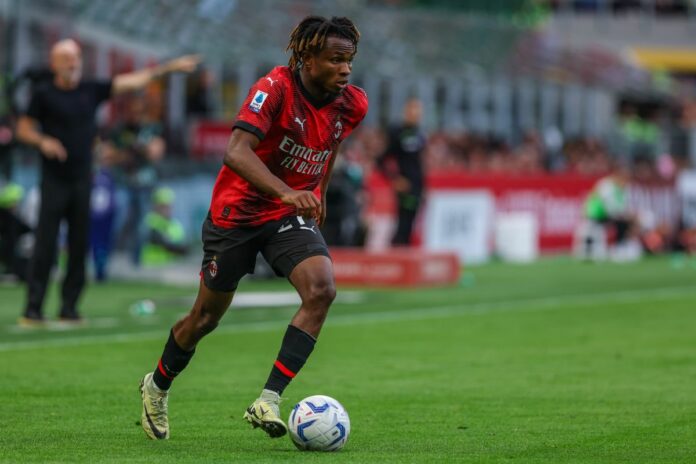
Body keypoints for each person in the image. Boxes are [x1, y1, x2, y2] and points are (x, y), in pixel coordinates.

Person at [138, 15, 367, 441]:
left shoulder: (351, 103)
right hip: (237, 214)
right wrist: (287, 191)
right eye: (336, 60)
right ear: (308, 59)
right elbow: (236, 151)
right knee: (205, 318)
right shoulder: (274, 88)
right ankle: (157, 385)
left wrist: (319, 191)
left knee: (322, 289)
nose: (346, 69)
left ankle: (268, 399)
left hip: (286, 213)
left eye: (349, 60)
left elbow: (331, 143)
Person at [15, 39, 199, 326]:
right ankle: (33, 309)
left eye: (76, 57)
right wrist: (43, 141)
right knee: (45, 244)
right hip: (54, 180)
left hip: (82, 178)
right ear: (54, 63)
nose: (73, 63)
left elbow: (132, 81)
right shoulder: (44, 93)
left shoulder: (91, 90)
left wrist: (168, 69)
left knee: (79, 245)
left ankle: (69, 308)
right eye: (66, 58)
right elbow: (24, 129)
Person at [107, 96, 166, 267]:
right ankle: (108, 260)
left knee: (141, 225)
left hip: (144, 182)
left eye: (138, 111)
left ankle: (136, 262)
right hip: (122, 180)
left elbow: (156, 152)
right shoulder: (119, 129)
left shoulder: (151, 129)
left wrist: (140, 148)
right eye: (132, 111)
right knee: (118, 218)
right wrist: (125, 154)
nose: (135, 115)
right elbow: (108, 155)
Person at [378, 97, 426, 246]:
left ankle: (403, 253)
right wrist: (395, 179)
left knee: (411, 223)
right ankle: (397, 253)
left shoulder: (419, 133)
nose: (416, 114)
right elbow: (381, 160)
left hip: (417, 185)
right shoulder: (396, 132)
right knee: (403, 224)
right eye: (413, 110)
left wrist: (423, 186)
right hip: (405, 185)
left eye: (419, 111)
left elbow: (418, 162)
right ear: (406, 111)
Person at [141, 187, 188, 266]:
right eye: (163, 206)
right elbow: (163, 243)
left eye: (168, 206)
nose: (166, 209)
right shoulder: (150, 221)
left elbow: (184, 245)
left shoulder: (176, 224)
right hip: (152, 266)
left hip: (173, 266)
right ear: (155, 206)